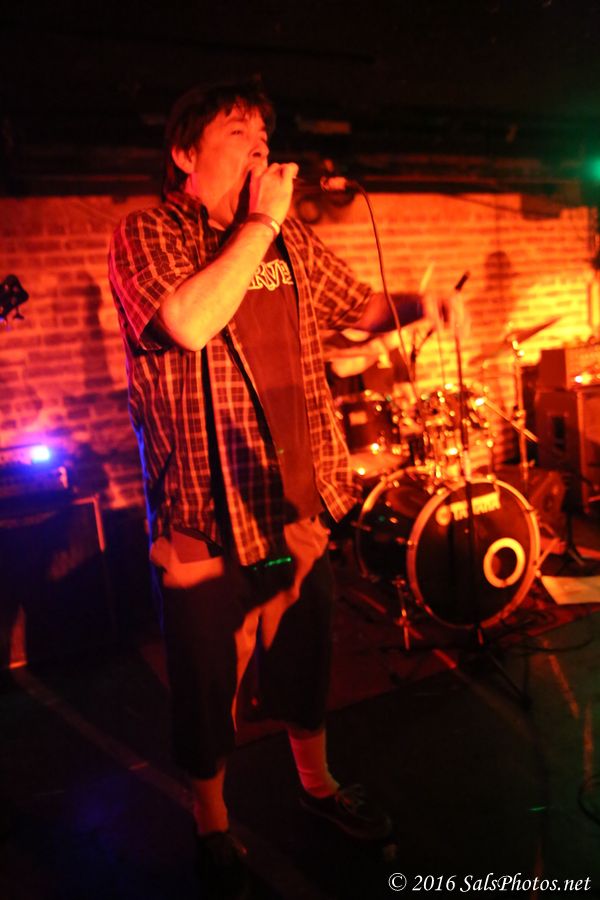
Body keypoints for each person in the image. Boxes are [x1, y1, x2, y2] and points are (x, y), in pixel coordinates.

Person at [108, 78, 435, 899]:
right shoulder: (147, 232)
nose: (259, 144)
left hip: (293, 500)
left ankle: (318, 788)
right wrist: (258, 224)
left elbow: (356, 310)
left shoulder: (288, 241)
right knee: (206, 682)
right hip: (206, 516)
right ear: (184, 153)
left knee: (305, 656)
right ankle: (213, 827)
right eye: (236, 131)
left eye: (263, 133)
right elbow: (189, 321)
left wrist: (418, 302)